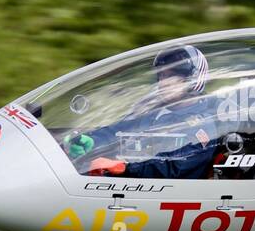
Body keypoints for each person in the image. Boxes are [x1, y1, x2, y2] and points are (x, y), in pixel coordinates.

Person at [70, 45, 219, 179]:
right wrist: (92, 140)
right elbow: (117, 131)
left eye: (172, 75)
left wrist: (125, 168)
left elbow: (175, 168)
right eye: (161, 76)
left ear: (192, 78)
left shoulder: (202, 124)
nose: (163, 82)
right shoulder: (153, 113)